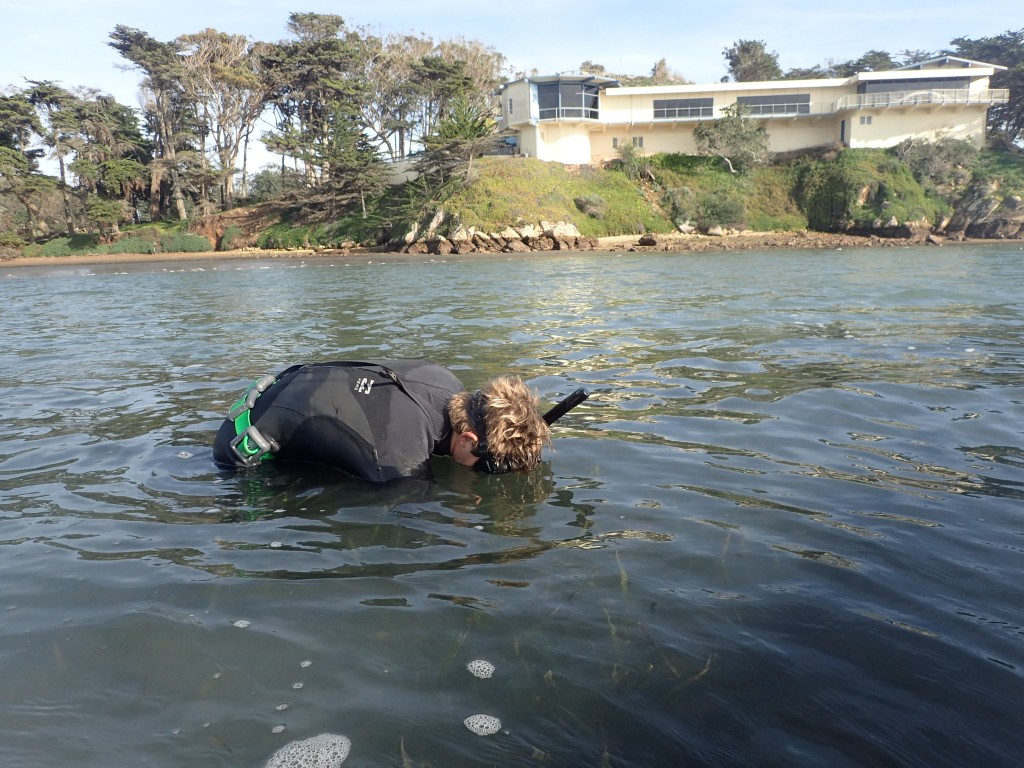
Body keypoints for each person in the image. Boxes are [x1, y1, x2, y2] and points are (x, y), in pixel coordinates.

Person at [212, 359, 551, 483]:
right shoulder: (401, 457)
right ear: (468, 440)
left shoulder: (446, 382)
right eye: (486, 468)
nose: (483, 474)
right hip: (242, 450)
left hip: (267, 391)